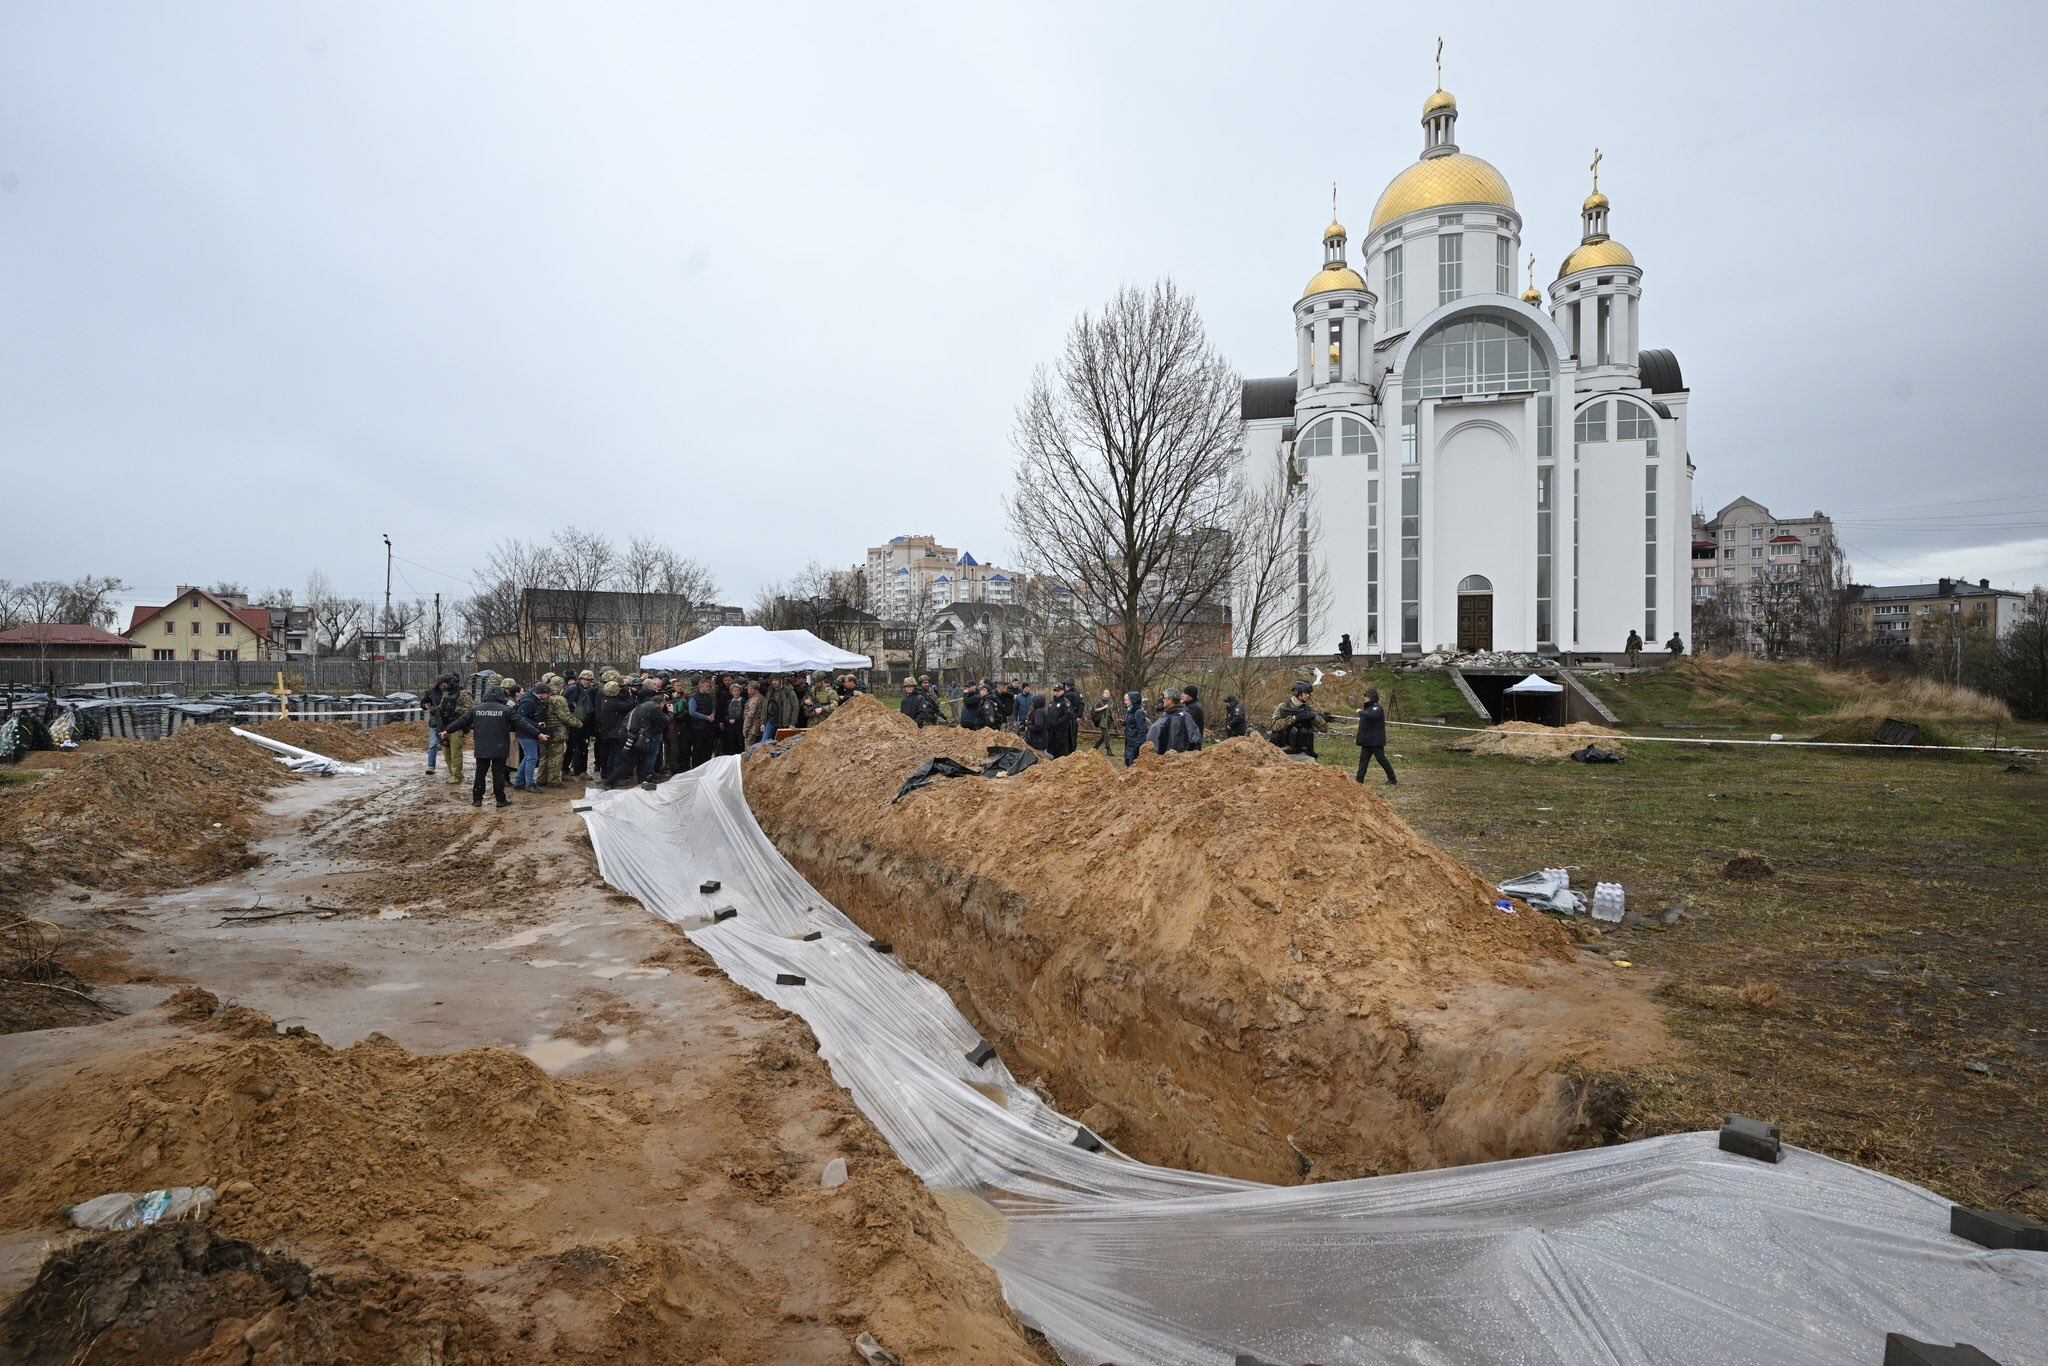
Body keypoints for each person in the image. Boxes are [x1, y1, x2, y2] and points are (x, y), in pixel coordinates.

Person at [441, 679, 545, 809]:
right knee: (498, 774)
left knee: (480, 774)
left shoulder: (476, 709)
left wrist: (447, 730)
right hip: (499, 748)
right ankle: (500, 800)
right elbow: (522, 723)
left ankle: (477, 799)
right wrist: (538, 733)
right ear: (500, 696)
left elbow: (461, 721)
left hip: (482, 747)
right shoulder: (506, 710)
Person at [433, 673, 473, 785]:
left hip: (457, 727)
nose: (443, 685)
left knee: (456, 752)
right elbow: (442, 707)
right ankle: (452, 773)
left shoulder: (463, 694)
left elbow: (470, 710)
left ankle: (457, 775)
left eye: (445, 683)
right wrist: (437, 709)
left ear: (451, 682)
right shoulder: (446, 694)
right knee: (447, 752)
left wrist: (457, 709)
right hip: (445, 727)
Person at [1271, 682, 1327, 757]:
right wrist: (1294, 718)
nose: (1308, 695)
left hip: (1302, 753)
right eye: (1306, 693)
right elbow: (1274, 726)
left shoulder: (1309, 709)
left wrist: (1315, 718)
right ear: (1298, 693)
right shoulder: (1283, 707)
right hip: (1281, 752)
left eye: (1309, 693)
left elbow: (1324, 729)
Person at [1354, 687, 1395, 785]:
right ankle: (1359, 780)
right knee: (1363, 760)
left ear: (1372, 698)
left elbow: (1373, 715)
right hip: (1367, 741)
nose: (1365, 698)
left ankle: (1392, 779)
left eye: (1367, 696)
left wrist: (1360, 712)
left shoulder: (1377, 708)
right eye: (1365, 696)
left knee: (1381, 759)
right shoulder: (1368, 709)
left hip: (1375, 741)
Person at [596, 678, 634, 778]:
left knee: (606, 754)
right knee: (614, 755)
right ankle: (611, 775)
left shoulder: (605, 701)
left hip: (606, 732)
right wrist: (631, 695)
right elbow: (629, 705)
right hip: (613, 733)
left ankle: (605, 773)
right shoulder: (613, 703)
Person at [541, 677, 574, 787]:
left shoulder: (543, 696)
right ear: (560, 685)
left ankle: (541, 779)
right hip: (557, 731)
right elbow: (564, 716)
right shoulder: (558, 699)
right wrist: (578, 723)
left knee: (544, 756)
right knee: (556, 756)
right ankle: (553, 780)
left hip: (544, 730)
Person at [564, 669, 598, 777]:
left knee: (584, 747)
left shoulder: (592, 691)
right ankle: (565, 770)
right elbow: (565, 705)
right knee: (571, 747)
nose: (587, 682)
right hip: (573, 722)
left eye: (589, 680)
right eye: (585, 679)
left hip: (587, 722)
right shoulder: (572, 689)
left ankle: (582, 771)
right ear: (580, 679)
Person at [1145, 690, 1193, 755]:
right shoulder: (1166, 714)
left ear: (1170, 700)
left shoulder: (1183, 716)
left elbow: (1193, 737)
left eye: (1164, 698)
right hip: (1161, 757)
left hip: (1176, 757)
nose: (1163, 700)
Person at [687, 677, 721, 766]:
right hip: (698, 728)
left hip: (709, 727)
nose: (708, 688)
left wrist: (713, 714)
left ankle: (706, 767)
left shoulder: (709, 697)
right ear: (701, 686)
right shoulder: (693, 698)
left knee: (708, 749)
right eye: (706, 686)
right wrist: (706, 717)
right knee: (698, 749)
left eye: (709, 686)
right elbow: (692, 712)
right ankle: (695, 767)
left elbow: (713, 707)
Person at [422, 677, 447, 774]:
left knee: (448, 745)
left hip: (446, 722)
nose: (442, 687)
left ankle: (452, 767)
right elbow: (422, 703)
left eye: (444, 684)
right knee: (433, 745)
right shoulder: (431, 693)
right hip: (434, 721)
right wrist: (426, 706)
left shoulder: (449, 693)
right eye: (441, 685)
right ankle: (431, 766)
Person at [1122, 690, 1149, 765]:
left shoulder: (1139, 712)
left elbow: (1142, 730)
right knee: (1128, 763)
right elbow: (1132, 724)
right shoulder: (1129, 711)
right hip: (1129, 742)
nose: (1125, 701)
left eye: (1126, 700)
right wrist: (1124, 723)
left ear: (1133, 700)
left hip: (1135, 744)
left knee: (1132, 765)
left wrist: (1137, 745)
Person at [721, 680, 746, 755]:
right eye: (734, 691)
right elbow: (725, 713)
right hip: (730, 725)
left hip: (740, 724)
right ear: (731, 692)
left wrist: (736, 719)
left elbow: (744, 713)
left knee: (740, 742)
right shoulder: (729, 701)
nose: (736, 692)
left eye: (738, 690)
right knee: (731, 742)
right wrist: (728, 719)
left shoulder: (743, 701)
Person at [1182, 685, 1205, 751]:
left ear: (1190, 696)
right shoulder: (1189, 705)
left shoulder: (1195, 708)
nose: (1182, 695)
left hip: (1193, 744)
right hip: (1189, 741)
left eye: (1185, 693)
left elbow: (1184, 722)